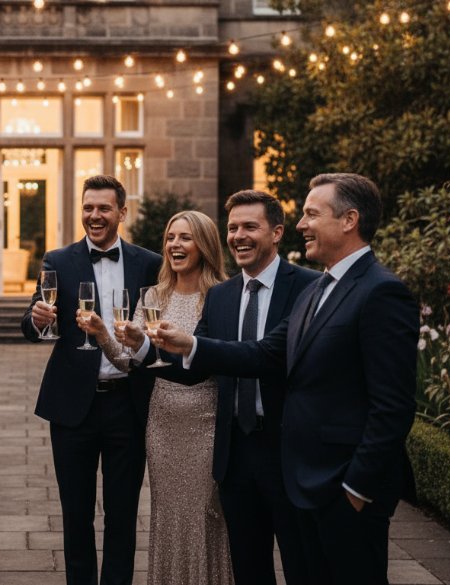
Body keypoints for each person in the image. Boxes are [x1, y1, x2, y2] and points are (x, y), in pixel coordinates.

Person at [152, 173, 418, 585]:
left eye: (312, 214)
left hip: (339, 484)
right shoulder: (320, 290)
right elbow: (264, 354)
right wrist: (189, 344)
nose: (301, 224)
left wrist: (357, 489)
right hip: (296, 476)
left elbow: (393, 406)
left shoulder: (380, 291)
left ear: (349, 220)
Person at [160, 191, 318, 585]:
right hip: (236, 454)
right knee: (248, 570)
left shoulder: (309, 287)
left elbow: (266, 356)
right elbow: (196, 368)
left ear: (277, 232)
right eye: (232, 228)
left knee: (303, 567)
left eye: (250, 226)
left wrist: (190, 344)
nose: (238, 236)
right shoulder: (221, 295)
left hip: (289, 452)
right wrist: (144, 350)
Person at [77, 210, 233, 584]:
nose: (175, 245)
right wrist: (103, 334)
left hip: (206, 421)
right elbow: (128, 360)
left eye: (185, 237)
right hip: (162, 422)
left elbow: (220, 359)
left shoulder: (221, 296)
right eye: (170, 238)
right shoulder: (152, 295)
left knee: (205, 517)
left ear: (204, 245)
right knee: (167, 516)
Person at [20, 175, 162, 585]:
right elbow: (33, 324)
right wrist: (37, 319)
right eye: (88, 208)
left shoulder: (149, 263)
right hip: (72, 406)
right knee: (75, 514)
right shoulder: (58, 260)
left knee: (123, 513)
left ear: (122, 212)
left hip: (128, 403)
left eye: (103, 208)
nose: (94, 216)